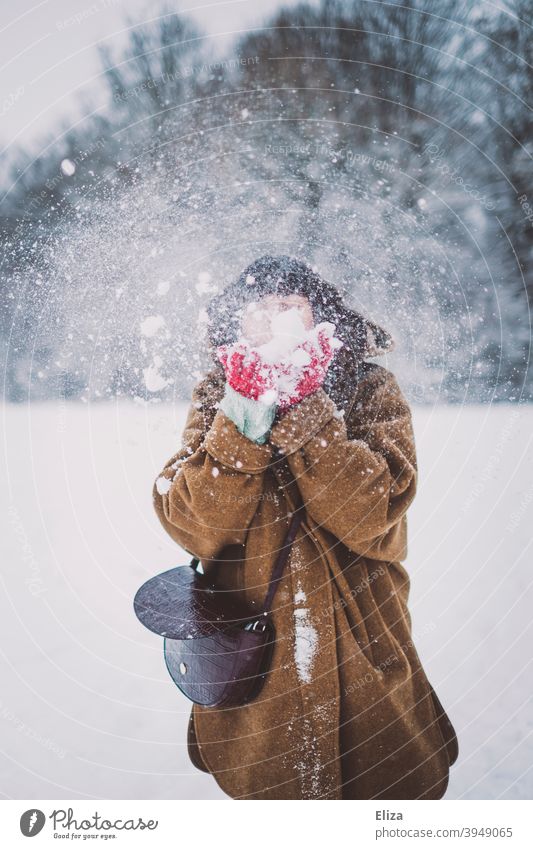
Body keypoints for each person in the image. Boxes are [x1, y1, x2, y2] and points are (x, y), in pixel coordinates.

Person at [152, 255, 458, 800]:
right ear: (237, 324)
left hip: (362, 638)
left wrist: (304, 409)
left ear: (318, 315)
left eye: (288, 304)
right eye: (259, 308)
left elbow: (374, 513)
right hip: (255, 648)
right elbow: (192, 524)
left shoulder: (369, 390)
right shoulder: (216, 397)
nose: (274, 319)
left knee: (388, 784)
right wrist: (243, 419)